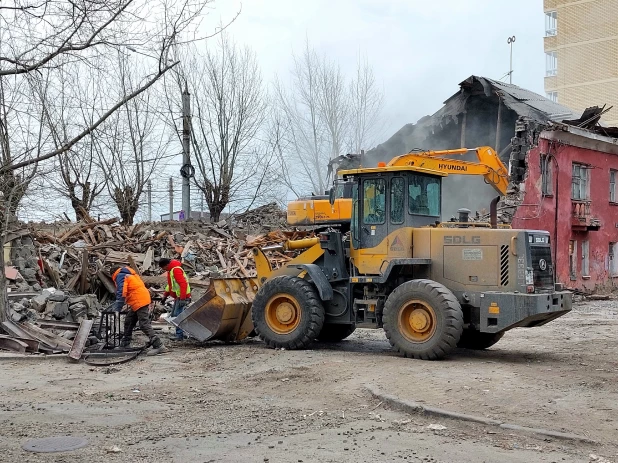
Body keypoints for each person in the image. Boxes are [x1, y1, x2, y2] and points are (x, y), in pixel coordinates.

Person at [111, 266, 167, 355]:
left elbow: (121, 292)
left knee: (144, 324)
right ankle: (125, 344)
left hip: (139, 300)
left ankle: (159, 345)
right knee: (129, 321)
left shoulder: (120, 276)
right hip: (139, 300)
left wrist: (117, 308)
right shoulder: (130, 274)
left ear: (113, 274)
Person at [158, 257, 191, 341]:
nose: (163, 270)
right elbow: (170, 285)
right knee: (175, 315)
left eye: (163, 268)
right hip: (179, 296)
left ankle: (179, 335)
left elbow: (183, 284)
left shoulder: (175, 270)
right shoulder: (171, 271)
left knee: (177, 316)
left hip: (182, 296)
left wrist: (183, 298)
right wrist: (165, 296)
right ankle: (182, 333)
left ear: (167, 265)